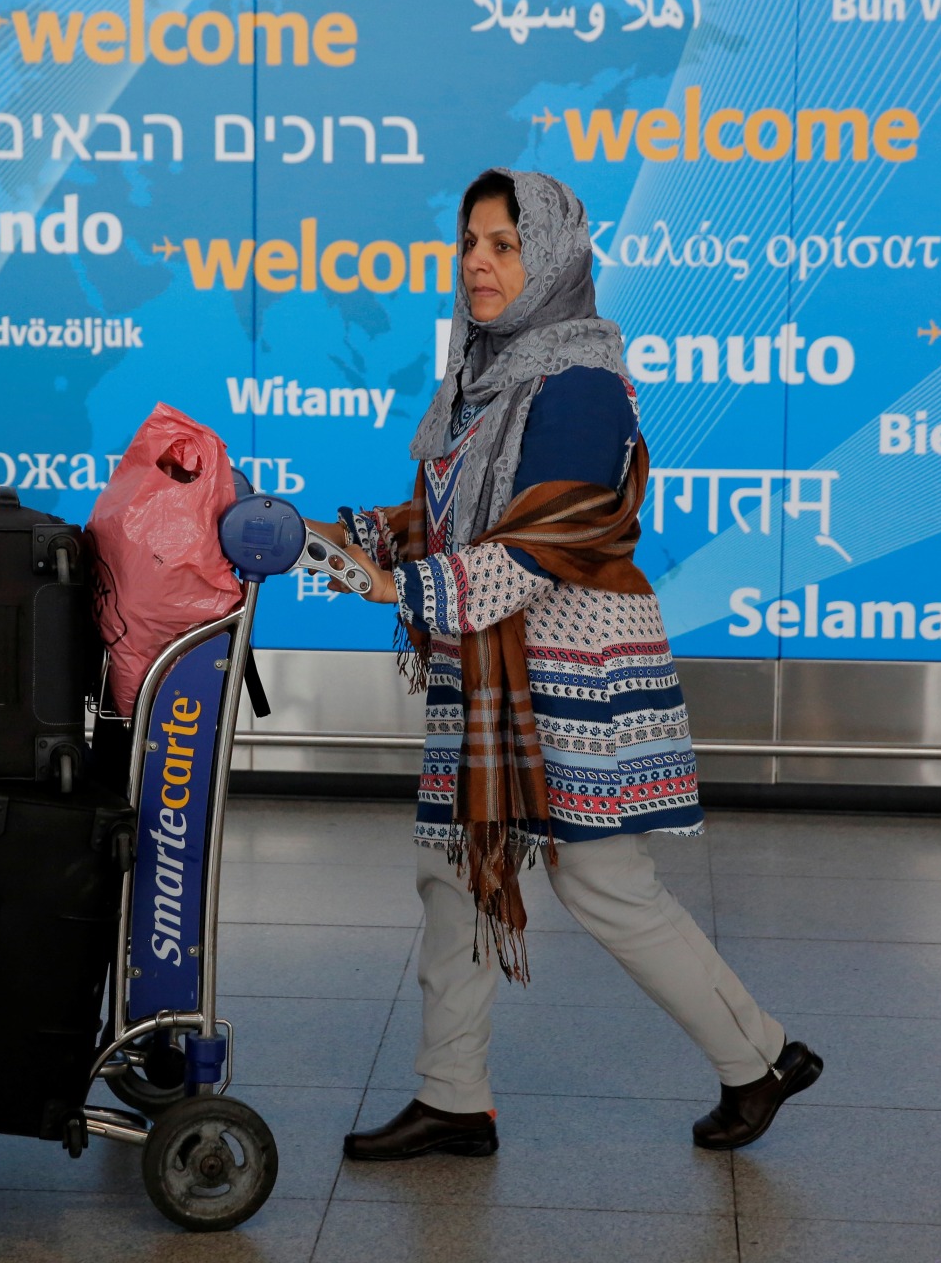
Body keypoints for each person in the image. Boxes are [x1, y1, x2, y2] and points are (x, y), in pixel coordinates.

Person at [307, 168, 822, 1162]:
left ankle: (758, 1058)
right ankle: (454, 1095)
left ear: (553, 259)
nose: (479, 263)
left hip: (575, 667)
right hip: (488, 664)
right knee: (455, 868)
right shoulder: (478, 377)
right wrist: (349, 538)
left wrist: (397, 586)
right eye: (470, 243)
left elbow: (543, 545)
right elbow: (452, 521)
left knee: (603, 881)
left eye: (505, 245)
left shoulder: (581, 383)